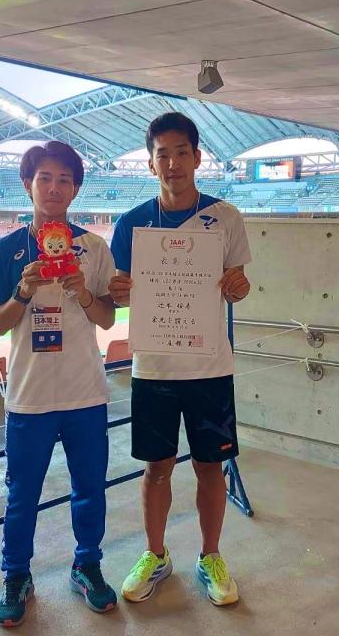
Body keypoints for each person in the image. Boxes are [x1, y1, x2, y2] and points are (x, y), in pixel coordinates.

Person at [109, 112, 251, 606]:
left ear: (197, 157)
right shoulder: (131, 224)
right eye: (162, 155)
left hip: (210, 367)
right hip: (154, 369)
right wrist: (118, 292)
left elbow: (237, 286)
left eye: (181, 153)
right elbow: (119, 293)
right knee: (157, 469)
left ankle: (211, 556)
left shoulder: (226, 217)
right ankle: (155, 554)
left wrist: (239, 286)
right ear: (151, 164)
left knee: (211, 468)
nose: (173, 163)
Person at [0, 141, 117, 628]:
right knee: (22, 495)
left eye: (64, 180)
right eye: (45, 178)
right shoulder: (7, 249)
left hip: (85, 393)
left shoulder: (94, 248)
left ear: (75, 190)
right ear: (28, 185)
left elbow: (107, 318)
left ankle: (87, 564)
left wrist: (83, 293)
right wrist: (23, 291)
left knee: (89, 488)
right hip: (29, 397)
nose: (54, 188)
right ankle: (16, 574)